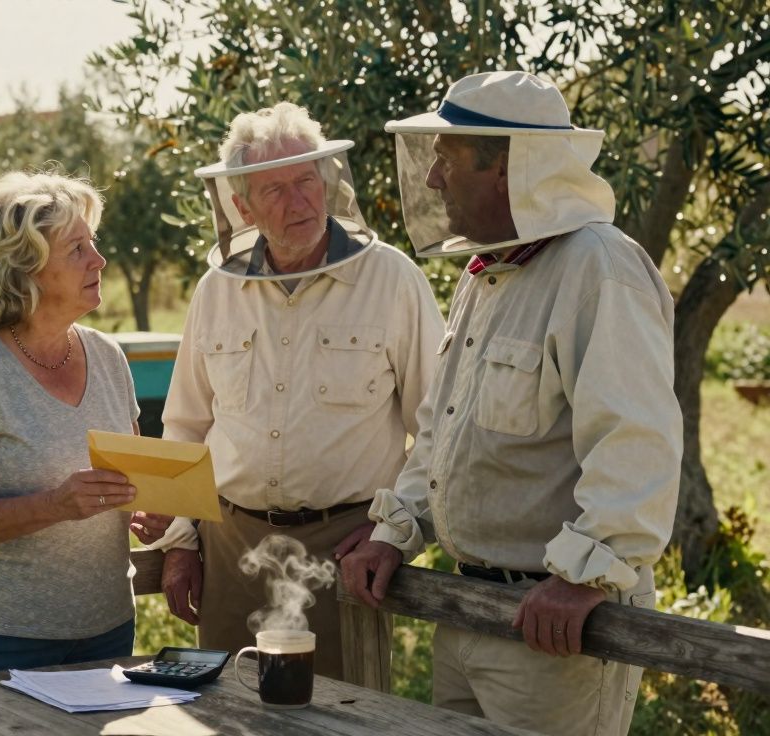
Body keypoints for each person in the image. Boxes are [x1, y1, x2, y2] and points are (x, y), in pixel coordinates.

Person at [340, 71, 682, 735]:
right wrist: (396, 531)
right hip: (467, 610)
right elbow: (442, 429)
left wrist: (589, 575)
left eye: (449, 160)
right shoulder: (489, 273)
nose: (434, 180)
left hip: (554, 629)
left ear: (507, 170)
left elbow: (636, 440)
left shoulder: (598, 269)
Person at [152, 102, 445, 680]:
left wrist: (393, 527)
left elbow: (439, 425)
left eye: (307, 181)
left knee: (342, 716)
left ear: (328, 181)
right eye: (275, 189)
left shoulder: (392, 280)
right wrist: (180, 540)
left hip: (345, 550)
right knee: (229, 717)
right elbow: (186, 427)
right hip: (229, 545)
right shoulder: (216, 291)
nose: (300, 202)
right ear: (242, 205)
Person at [0, 170, 173, 676]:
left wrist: (145, 512)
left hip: (107, 629)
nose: (98, 260)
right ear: (26, 268)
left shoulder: (107, 355)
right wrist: (55, 505)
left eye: (93, 243)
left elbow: (128, 481)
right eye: (77, 248)